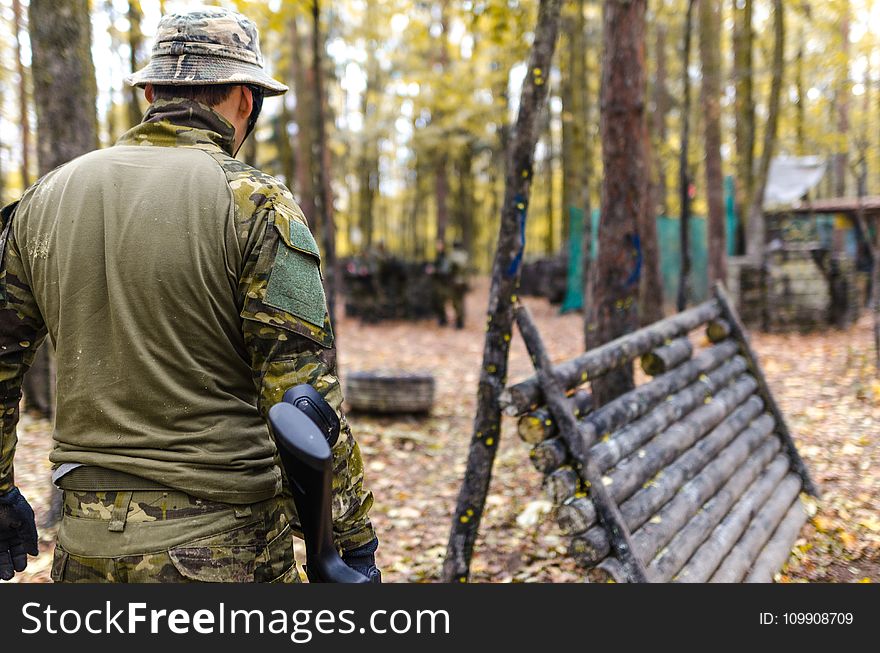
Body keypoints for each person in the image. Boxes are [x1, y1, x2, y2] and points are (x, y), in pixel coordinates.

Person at [0, 7, 378, 583]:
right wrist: (350, 542)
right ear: (246, 99)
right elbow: (303, 396)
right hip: (223, 550)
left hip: (84, 549)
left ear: (149, 91)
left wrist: (1, 494)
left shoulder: (43, 200)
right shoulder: (254, 203)